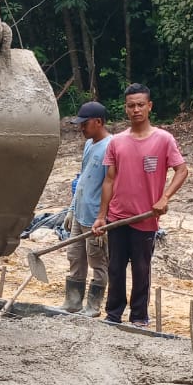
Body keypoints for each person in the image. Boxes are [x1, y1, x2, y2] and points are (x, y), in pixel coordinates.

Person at [90, 84, 188, 326]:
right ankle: (113, 314)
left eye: (140, 105)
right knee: (115, 268)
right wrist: (102, 215)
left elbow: (182, 170)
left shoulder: (163, 139)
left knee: (141, 270)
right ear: (126, 108)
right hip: (118, 217)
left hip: (145, 218)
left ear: (149, 107)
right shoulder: (117, 142)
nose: (136, 110)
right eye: (131, 105)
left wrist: (165, 197)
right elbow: (109, 179)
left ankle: (139, 316)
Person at [64, 101, 112, 316]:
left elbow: (109, 185)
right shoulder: (89, 144)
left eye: (85, 124)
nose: (81, 128)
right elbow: (82, 179)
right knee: (75, 256)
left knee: (97, 260)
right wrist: (72, 209)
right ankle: (72, 302)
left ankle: (93, 306)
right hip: (80, 214)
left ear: (98, 122)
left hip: (95, 218)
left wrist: (103, 217)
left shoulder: (111, 147)